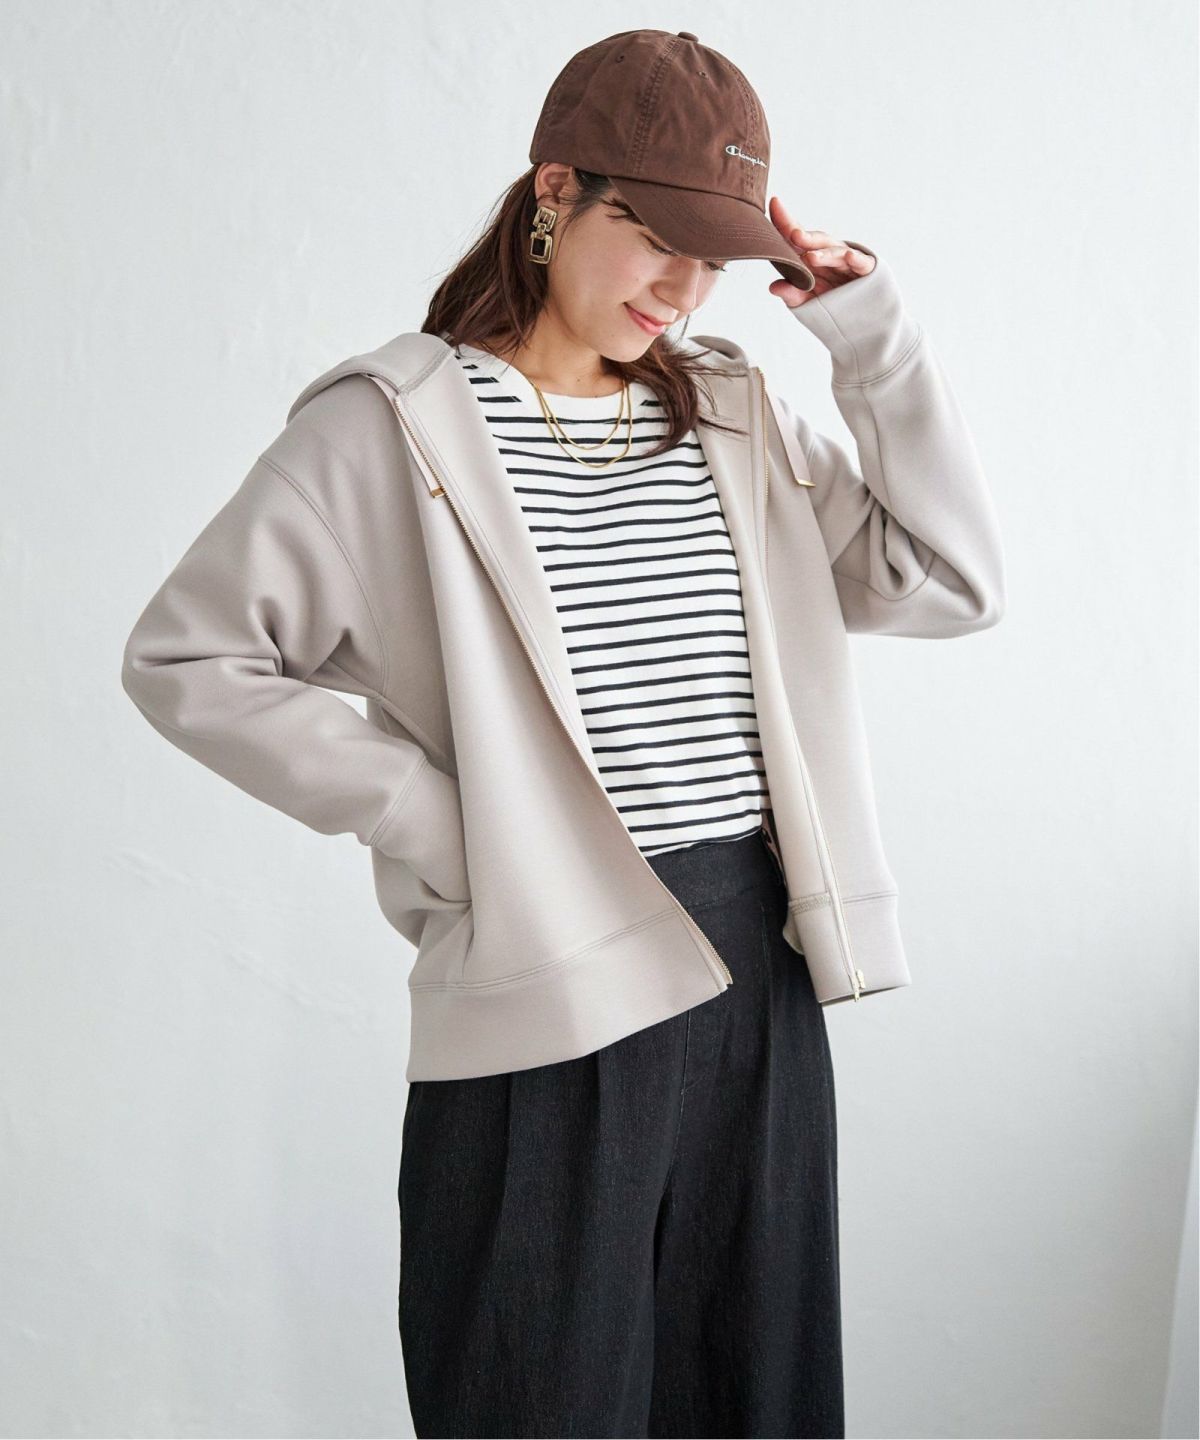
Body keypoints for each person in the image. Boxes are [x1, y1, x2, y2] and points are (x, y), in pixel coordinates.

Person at [121, 27, 1005, 1440]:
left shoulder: (733, 413)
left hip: (756, 966)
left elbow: (949, 582)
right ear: (554, 193)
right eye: (654, 236)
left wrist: (869, 335)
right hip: (544, 964)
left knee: (755, 1398)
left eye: (713, 257)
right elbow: (190, 657)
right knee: (538, 1399)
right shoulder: (389, 430)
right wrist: (446, 825)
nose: (684, 288)